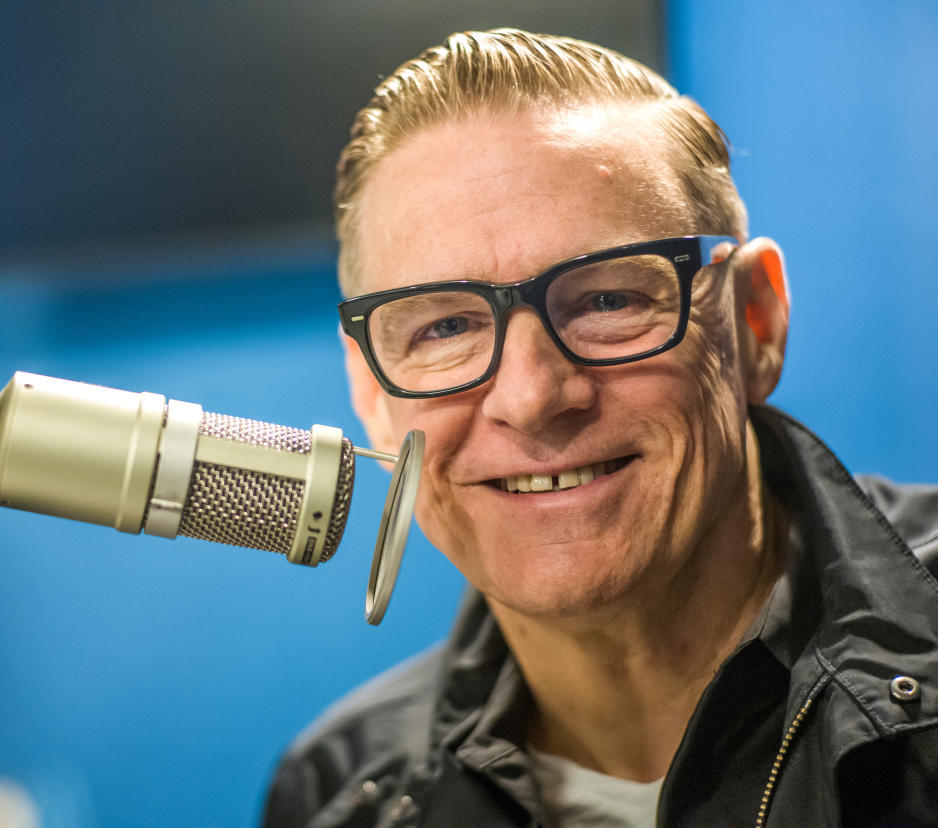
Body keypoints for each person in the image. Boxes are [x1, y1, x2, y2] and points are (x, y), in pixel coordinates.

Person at [263, 28, 938, 827]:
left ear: (755, 320)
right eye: (444, 329)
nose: (531, 396)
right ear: (370, 393)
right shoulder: (337, 795)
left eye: (608, 300)